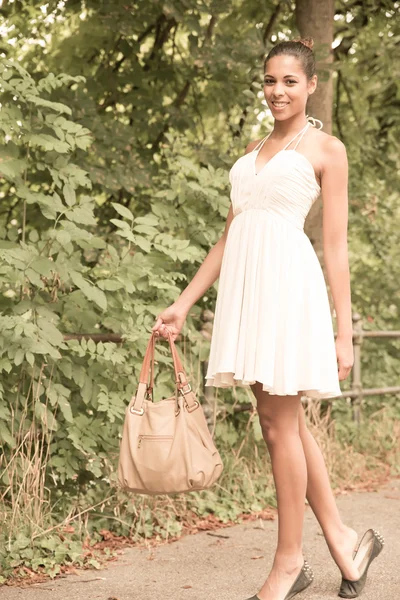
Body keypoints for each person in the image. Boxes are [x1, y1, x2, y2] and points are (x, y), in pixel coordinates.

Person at [152, 38, 384, 600]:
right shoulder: (254, 147)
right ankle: (345, 540)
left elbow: (335, 246)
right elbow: (230, 235)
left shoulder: (327, 149)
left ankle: (288, 562)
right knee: (285, 421)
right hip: (248, 289)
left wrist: (343, 329)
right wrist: (183, 303)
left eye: (289, 82)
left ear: (309, 86)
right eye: (270, 81)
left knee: (280, 423)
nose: (277, 91)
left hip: (288, 289)